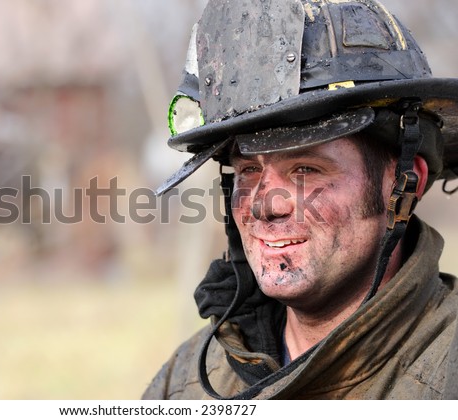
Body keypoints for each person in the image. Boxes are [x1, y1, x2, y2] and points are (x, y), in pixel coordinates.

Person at [142, 0, 458, 399]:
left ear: (405, 184)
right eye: (248, 171)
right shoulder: (189, 379)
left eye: (306, 171)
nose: (264, 206)